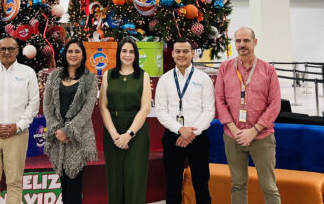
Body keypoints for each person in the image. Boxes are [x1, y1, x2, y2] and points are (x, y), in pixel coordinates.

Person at [215, 27, 281, 204]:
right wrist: (234, 129)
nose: (242, 45)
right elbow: (219, 100)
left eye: (246, 41)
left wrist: (253, 130)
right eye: (238, 41)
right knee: (238, 184)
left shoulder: (268, 70)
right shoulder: (225, 68)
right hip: (232, 136)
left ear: (255, 42)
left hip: (262, 137)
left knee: (269, 186)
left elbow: (275, 104)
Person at [0, 37, 40, 204]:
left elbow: (33, 103)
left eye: (11, 49)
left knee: (15, 183)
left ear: (18, 51)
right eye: (2, 49)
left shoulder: (28, 73)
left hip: (17, 135)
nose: (6, 52)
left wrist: (18, 126)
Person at [155, 39, 215, 204]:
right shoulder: (165, 80)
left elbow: (209, 110)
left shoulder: (204, 79)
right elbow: (160, 110)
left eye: (185, 51)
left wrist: (192, 133)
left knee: (201, 185)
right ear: (173, 53)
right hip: (173, 137)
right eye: (178, 51)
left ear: (192, 53)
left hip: (198, 137)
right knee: (173, 186)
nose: (181, 55)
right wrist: (180, 130)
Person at [42, 40, 98, 204]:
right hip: (57, 136)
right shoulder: (54, 76)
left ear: (83, 55)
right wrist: (57, 130)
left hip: (78, 137)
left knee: (74, 183)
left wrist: (67, 131)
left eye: (77, 51)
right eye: (70, 51)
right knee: (64, 183)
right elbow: (47, 106)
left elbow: (87, 110)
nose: (73, 55)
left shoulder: (90, 78)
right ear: (65, 54)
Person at [100, 36, 152, 204]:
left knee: (134, 179)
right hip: (112, 131)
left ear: (136, 55)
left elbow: (145, 108)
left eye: (131, 51)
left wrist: (128, 134)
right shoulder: (108, 74)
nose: (127, 55)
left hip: (136, 132)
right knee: (114, 180)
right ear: (119, 53)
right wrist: (115, 135)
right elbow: (103, 106)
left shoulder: (143, 76)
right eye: (124, 51)